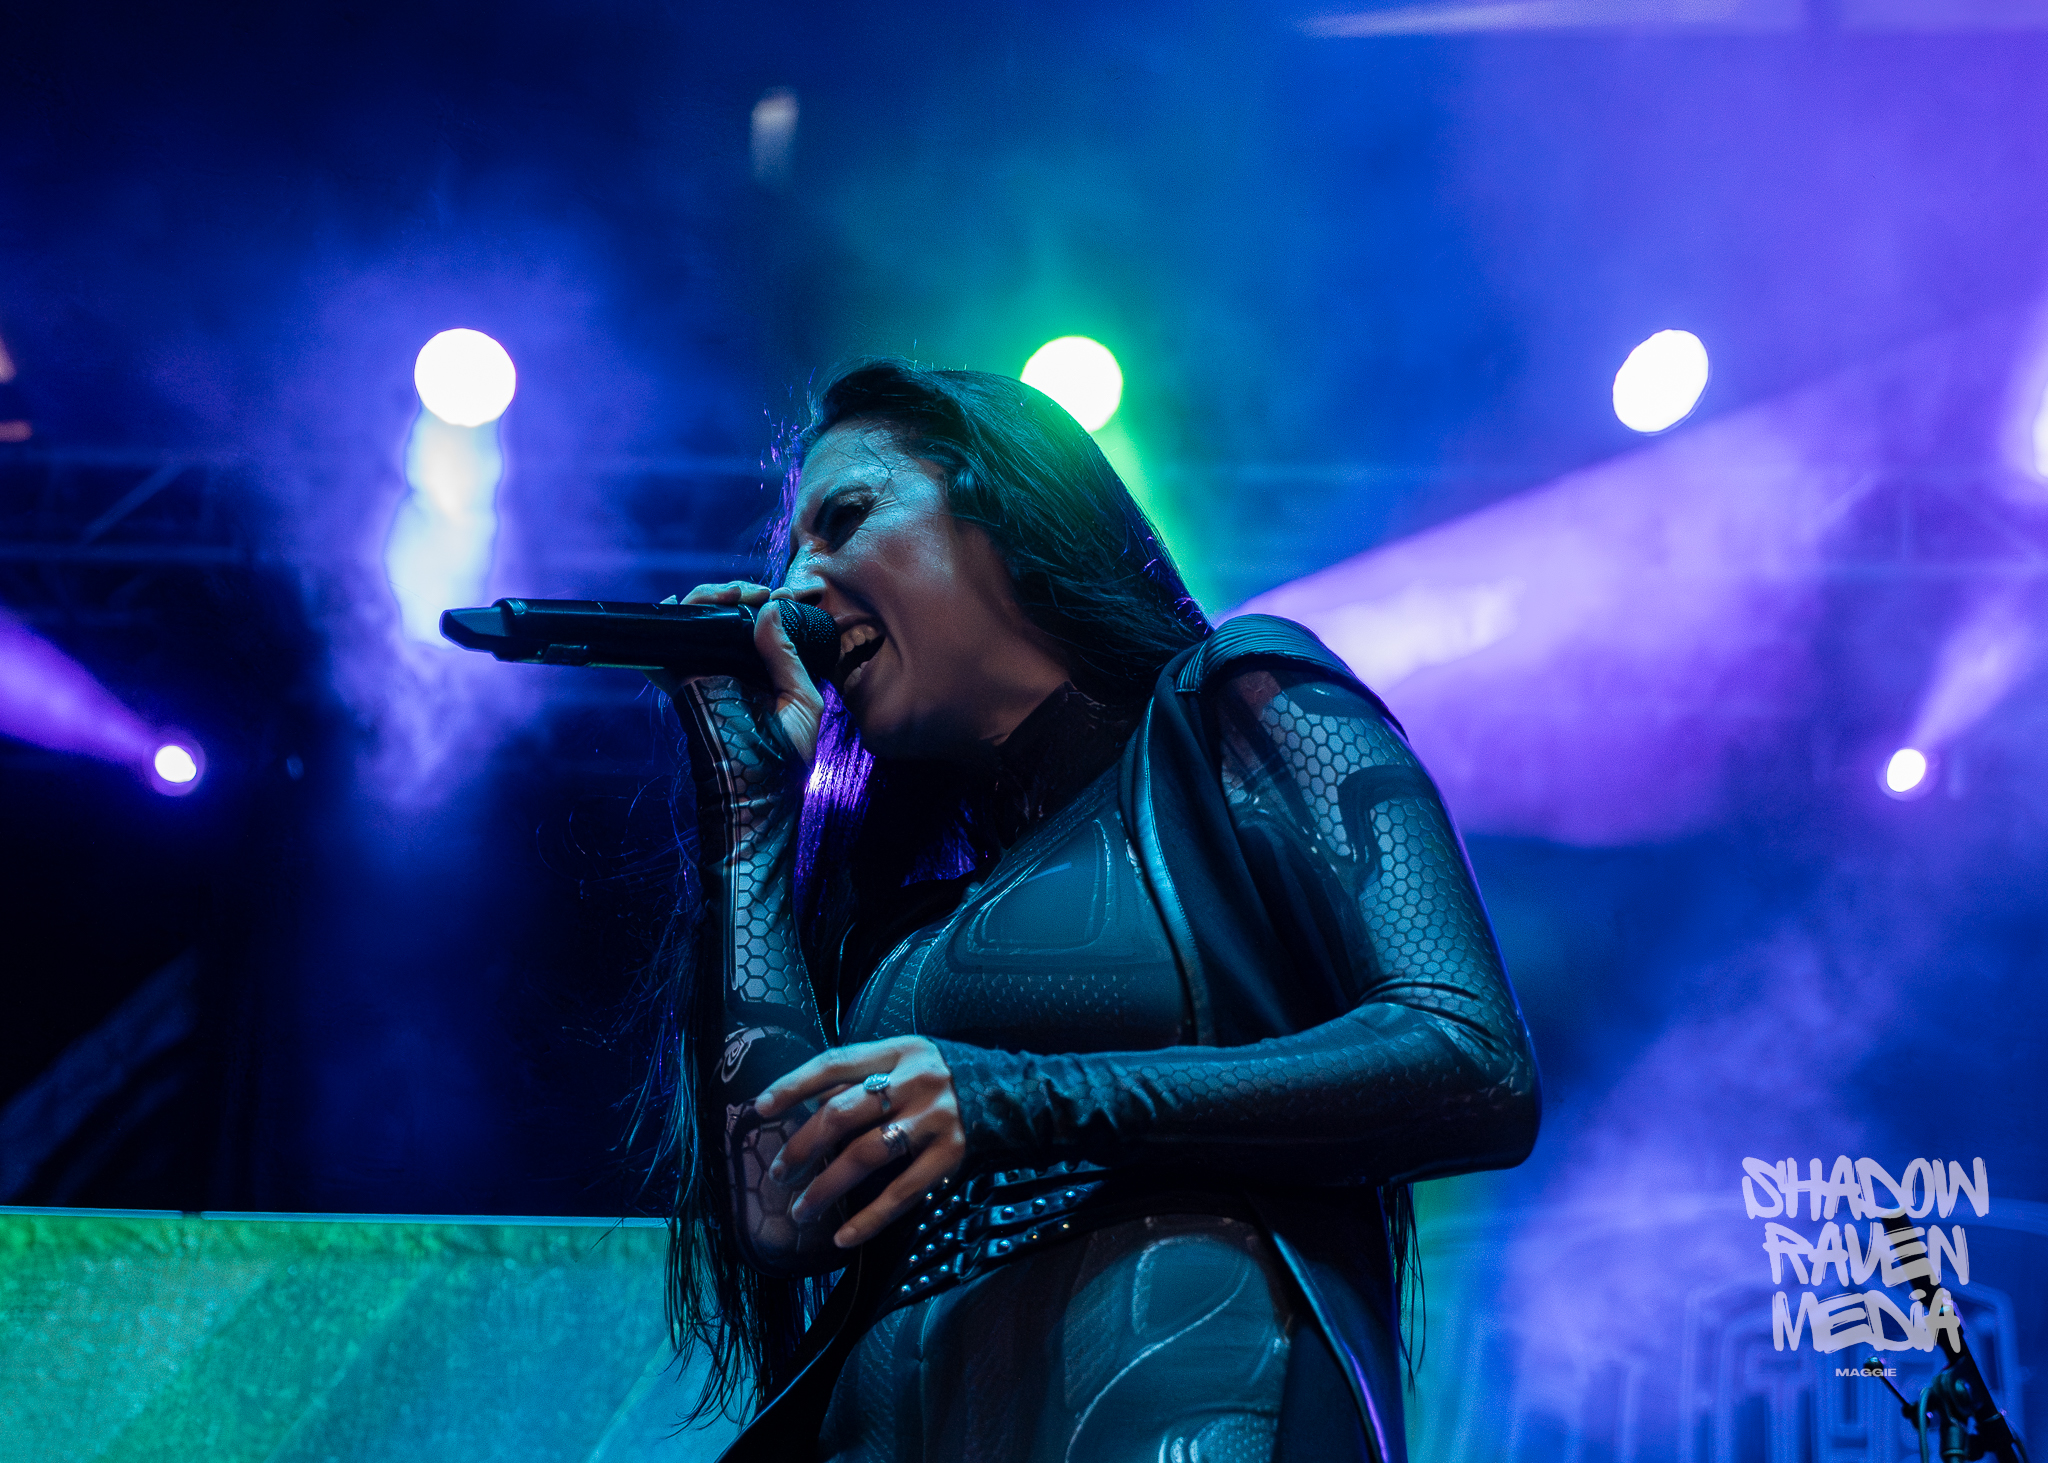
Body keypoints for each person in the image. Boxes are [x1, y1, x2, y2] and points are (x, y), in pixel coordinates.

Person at [645, 359, 1539, 1463]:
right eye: (790, 551)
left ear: (1002, 506)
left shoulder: (1234, 701)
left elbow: (1471, 1056)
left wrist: (1018, 1096)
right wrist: (747, 811)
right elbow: (784, 1209)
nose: (793, 588)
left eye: (844, 518)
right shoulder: (910, 921)